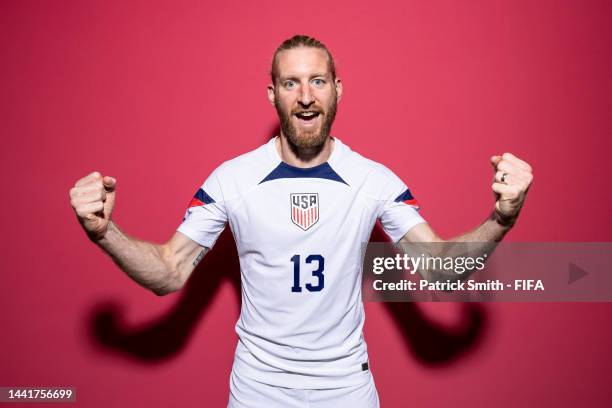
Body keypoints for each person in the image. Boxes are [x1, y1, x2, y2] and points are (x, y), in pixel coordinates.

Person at [69, 35, 533, 407]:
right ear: (272, 93)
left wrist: (501, 218)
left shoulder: (372, 179)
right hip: (259, 389)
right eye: (291, 83)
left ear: (338, 89)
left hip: (345, 388)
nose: (306, 97)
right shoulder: (233, 179)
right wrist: (104, 232)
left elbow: (436, 267)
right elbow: (169, 272)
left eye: (318, 81)